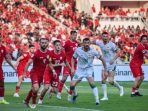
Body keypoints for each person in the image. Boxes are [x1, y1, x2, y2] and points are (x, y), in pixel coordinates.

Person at [68, 38, 107, 106]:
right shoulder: (78, 50)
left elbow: (102, 59)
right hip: (80, 70)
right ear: (83, 43)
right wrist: (72, 68)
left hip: (89, 69)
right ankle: (75, 94)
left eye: (88, 43)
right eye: (85, 43)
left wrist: (105, 69)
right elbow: (73, 58)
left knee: (92, 83)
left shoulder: (93, 51)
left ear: (89, 43)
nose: (86, 44)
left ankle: (97, 101)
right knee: (72, 85)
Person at [92, 31, 124, 101]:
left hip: (112, 63)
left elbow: (118, 52)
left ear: (108, 37)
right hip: (104, 63)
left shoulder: (112, 44)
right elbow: (92, 41)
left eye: (106, 36)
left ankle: (120, 88)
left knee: (110, 81)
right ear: (102, 37)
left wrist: (113, 59)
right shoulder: (99, 42)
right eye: (104, 36)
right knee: (103, 80)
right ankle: (105, 97)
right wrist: (94, 36)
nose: (105, 37)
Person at [38, 39, 71, 104]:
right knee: (46, 87)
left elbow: (66, 62)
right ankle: (40, 99)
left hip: (56, 75)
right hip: (49, 73)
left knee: (56, 91)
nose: (58, 46)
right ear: (54, 46)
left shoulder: (62, 53)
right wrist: (57, 66)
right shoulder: (50, 53)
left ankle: (51, 90)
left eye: (60, 45)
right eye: (57, 45)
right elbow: (49, 64)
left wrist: (70, 70)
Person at [23, 38, 49, 109]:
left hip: (41, 75)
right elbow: (28, 63)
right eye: (42, 43)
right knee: (36, 88)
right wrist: (24, 73)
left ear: (47, 43)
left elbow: (50, 63)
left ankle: (26, 100)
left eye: (45, 43)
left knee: (34, 89)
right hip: (34, 73)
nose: (44, 44)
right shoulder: (36, 53)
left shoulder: (49, 53)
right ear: (39, 44)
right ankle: (34, 103)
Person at [57, 30, 79, 99]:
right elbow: (62, 49)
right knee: (64, 77)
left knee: (73, 80)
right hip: (67, 63)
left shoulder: (77, 43)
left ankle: (70, 94)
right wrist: (64, 58)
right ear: (71, 35)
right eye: (74, 35)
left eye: (76, 35)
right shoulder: (67, 42)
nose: (75, 36)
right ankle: (59, 93)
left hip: (74, 64)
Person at [0, 36, 16, 104]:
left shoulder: (3, 47)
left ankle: (1, 99)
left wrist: (13, 67)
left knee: (1, 83)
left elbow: (6, 58)